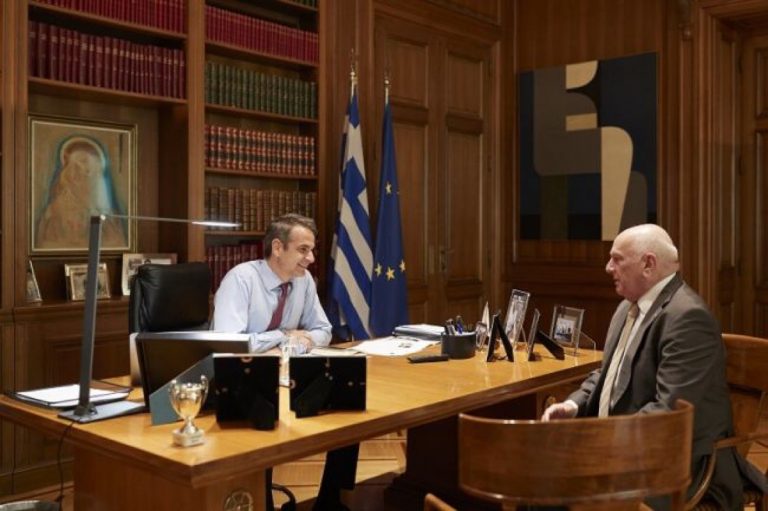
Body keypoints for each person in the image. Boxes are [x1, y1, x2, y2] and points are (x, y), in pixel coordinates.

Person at [541, 223, 768, 510]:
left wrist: (598, 443)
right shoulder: (627, 307)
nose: (608, 268)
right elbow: (609, 373)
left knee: (549, 488)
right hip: (624, 449)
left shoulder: (687, 318)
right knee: (535, 478)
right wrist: (573, 405)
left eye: (617, 259)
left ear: (648, 264)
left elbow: (669, 412)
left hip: (675, 465)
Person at [212, 213, 357, 511]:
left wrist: (293, 343)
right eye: (303, 250)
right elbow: (230, 343)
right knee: (264, 411)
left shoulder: (304, 282)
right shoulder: (241, 279)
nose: (311, 259)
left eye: (312, 250)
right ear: (278, 248)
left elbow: (323, 331)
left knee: (348, 403)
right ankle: (261, 502)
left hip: (287, 373)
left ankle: (330, 500)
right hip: (241, 380)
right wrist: (283, 335)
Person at [36, 136, 127, 250]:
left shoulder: (109, 216)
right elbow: (45, 246)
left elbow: (116, 245)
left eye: (84, 162)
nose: (79, 170)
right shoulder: (55, 211)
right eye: (73, 165)